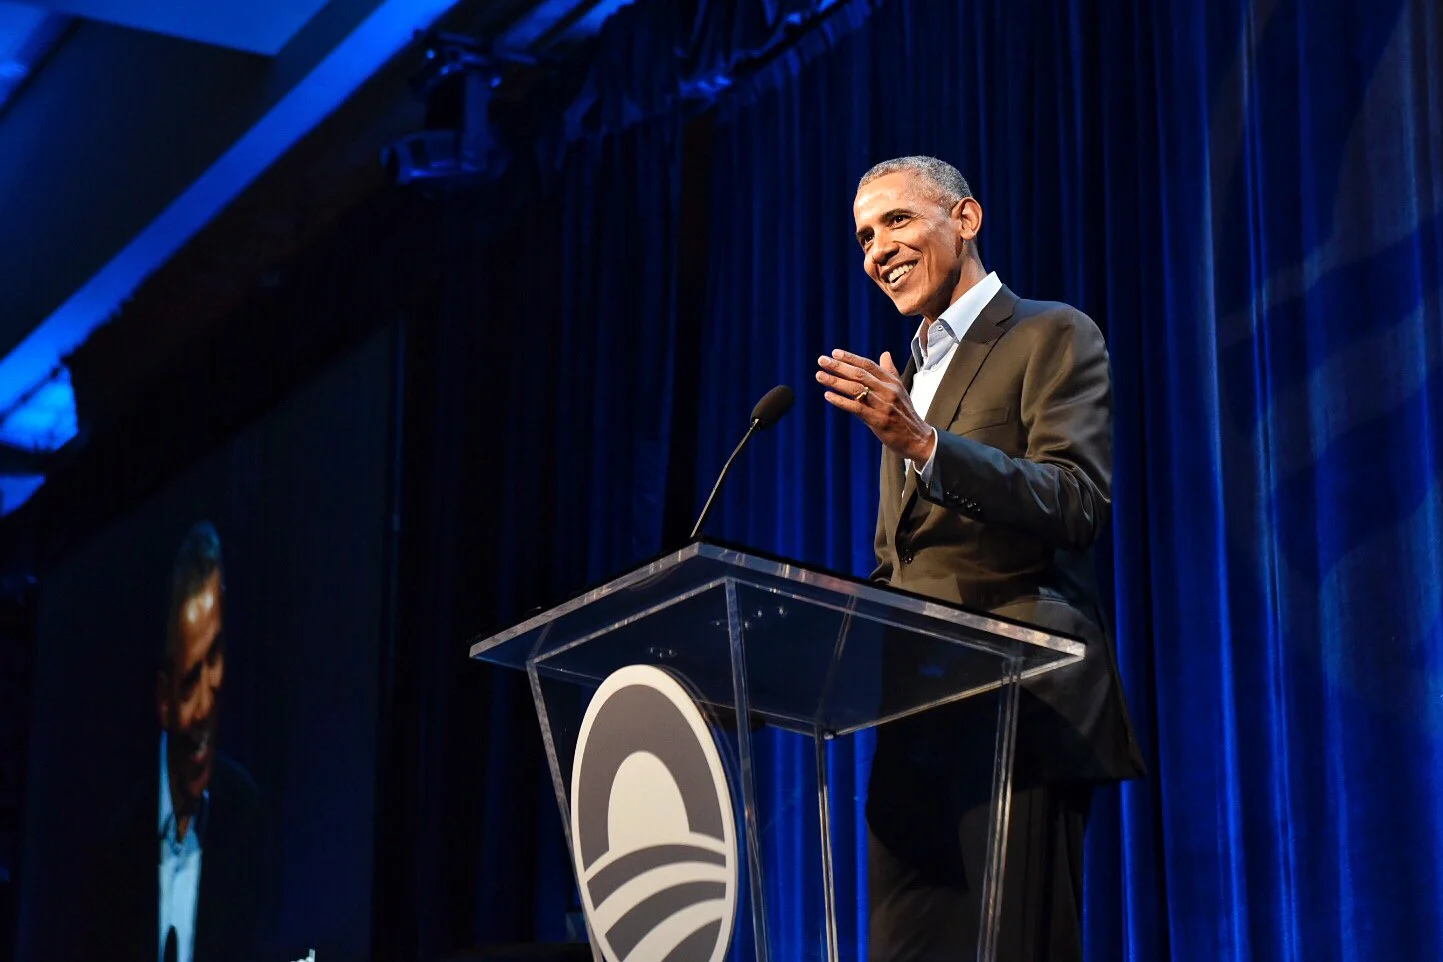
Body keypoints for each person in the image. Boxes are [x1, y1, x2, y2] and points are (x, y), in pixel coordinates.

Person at [815, 156, 1146, 960]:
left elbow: (1076, 502)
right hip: (916, 724)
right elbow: (906, 569)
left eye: (896, 221)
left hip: (1017, 706)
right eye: (863, 236)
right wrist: (791, 654)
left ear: (965, 220)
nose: (876, 250)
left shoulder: (1049, 333)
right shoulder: (909, 377)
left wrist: (924, 443)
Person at [88, 522, 270, 962]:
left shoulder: (250, 821)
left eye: (215, 660)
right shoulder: (118, 843)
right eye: (190, 681)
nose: (207, 704)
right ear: (163, 700)